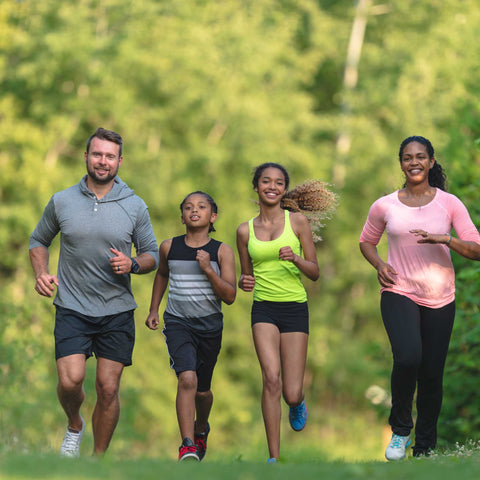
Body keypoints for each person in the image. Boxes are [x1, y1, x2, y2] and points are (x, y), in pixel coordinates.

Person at [29, 127, 159, 457]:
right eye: (97, 154)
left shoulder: (135, 205)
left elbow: (152, 254)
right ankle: (74, 424)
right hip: (72, 306)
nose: (103, 161)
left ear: (119, 161)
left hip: (116, 309)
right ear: (86, 156)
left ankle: (97, 462)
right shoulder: (62, 200)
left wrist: (133, 265)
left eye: (110, 156)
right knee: (71, 381)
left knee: (108, 387)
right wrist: (41, 273)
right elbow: (38, 241)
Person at [359, 136, 480, 460]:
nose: (414, 162)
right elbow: (367, 241)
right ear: (401, 163)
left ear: (430, 162)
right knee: (408, 357)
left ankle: (424, 448)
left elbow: (477, 250)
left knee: (431, 373)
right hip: (399, 291)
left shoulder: (449, 203)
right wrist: (379, 264)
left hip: (441, 297)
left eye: (420, 157)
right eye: (407, 158)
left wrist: (445, 239)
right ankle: (400, 429)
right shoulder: (385, 205)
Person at [236, 163, 337, 463]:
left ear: (284, 189)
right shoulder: (244, 231)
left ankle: (298, 402)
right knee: (271, 379)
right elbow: (245, 278)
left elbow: (315, 272)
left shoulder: (298, 223)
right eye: (265, 181)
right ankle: (273, 458)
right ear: (256, 187)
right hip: (263, 309)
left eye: (279, 182)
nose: (272, 186)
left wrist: (294, 258)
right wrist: (244, 281)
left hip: (294, 308)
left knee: (291, 392)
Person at [145, 191, 236, 461]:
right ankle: (187, 445)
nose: (194, 210)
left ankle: (201, 428)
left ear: (213, 216)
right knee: (187, 379)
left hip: (209, 327)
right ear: (182, 216)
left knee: (203, 391)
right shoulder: (168, 247)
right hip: (178, 322)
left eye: (201, 207)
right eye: (188, 207)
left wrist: (209, 269)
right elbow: (162, 274)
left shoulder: (221, 251)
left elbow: (230, 296)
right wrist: (154, 309)